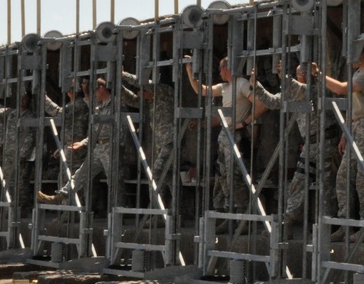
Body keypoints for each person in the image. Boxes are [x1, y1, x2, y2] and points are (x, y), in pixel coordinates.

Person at [185, 57, 282, 213]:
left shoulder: (241, 84)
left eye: (220, 68)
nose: (219, 71)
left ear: (227, 68)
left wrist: (244, 123)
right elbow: (201, 90)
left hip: (236, 135)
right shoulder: (225, 87)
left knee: (234, 175)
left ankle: (241, 212)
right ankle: (230, 212)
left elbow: (262, 105)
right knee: (222, 175)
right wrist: (190, 71)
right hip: (225, 135)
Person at [317, 48, 364, 243]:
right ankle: (345, 223)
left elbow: (341, 89)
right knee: (343, 176)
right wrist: (344, 136)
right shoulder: (359, 72)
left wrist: (318, 75)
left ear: (362, 53)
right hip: (356, 126)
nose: (349, 59)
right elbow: (352, 105)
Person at [37, 77, 121, 207]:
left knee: (114, 181)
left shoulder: (115, 105)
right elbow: (94, 131)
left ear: (101, 88)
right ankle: (61, 195)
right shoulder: (99, 107)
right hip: (98, 147)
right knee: (81, 174)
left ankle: (118, 210)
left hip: (110, 146)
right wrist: (84, 142)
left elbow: (121, 128)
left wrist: (119, 146)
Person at [282, 62, 338, 229]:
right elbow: (274, 101)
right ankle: (288, 222)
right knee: (298, 181)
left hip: (326, 143)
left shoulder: (318, 90)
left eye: (301, 75)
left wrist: (282, 75)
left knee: (327, 184)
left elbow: (303, 91)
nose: (299, 78)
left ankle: (329, 225)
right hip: (310, 145)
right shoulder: (296, 93)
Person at [121, 64, 176, 199]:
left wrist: (123, 75)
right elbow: (132, 100)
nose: (140, 93)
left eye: (142, 90)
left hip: (170, 143)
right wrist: (118, 86)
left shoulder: (164, 93)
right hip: (161, 145)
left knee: (156, 174)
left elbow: (144, 83)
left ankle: (157, 211)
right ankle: (176, 209)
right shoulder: (150, 102)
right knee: (168, 176)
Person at [42, 79, 90, 190]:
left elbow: (60, 113)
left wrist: (45, 100)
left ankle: (73, 205)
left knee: (72, 179)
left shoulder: (79, 104)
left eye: (72, 88)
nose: (70, 91)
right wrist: (62, 146)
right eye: (68, 88)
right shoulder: (71, 104)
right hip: (69, 147)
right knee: (64, 178)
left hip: (76, 150)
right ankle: (65, 205)